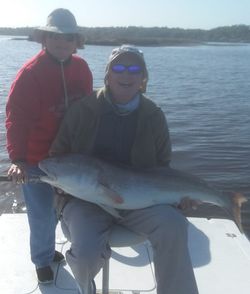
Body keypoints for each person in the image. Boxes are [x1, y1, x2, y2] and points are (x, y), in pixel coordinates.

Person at [49, 45, 199, 294]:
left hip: (139, 202)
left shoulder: (154, 115)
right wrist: (60, 186)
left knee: (174, 225)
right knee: (85, 255)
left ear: (143, 78)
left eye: (134, 69)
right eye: (119, 67)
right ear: (107, 75)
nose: (126, 75)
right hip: (84, 200)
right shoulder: (82, 110)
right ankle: (87, 289)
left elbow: (163, 166)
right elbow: (57, 155)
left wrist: (178, 198)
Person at [5, 8, 93, 284]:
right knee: (42, 213)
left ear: (76, 41)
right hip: (36, 159)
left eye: (68, 37)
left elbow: (90, 110)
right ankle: (42, 260)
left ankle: (50, 249)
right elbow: (16, 119)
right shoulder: (30, 74)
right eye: (55, 36)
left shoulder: (82, 68)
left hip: (71, 159)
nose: (62, 42)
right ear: (44, 38)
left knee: (60, 209)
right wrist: (18, 159)